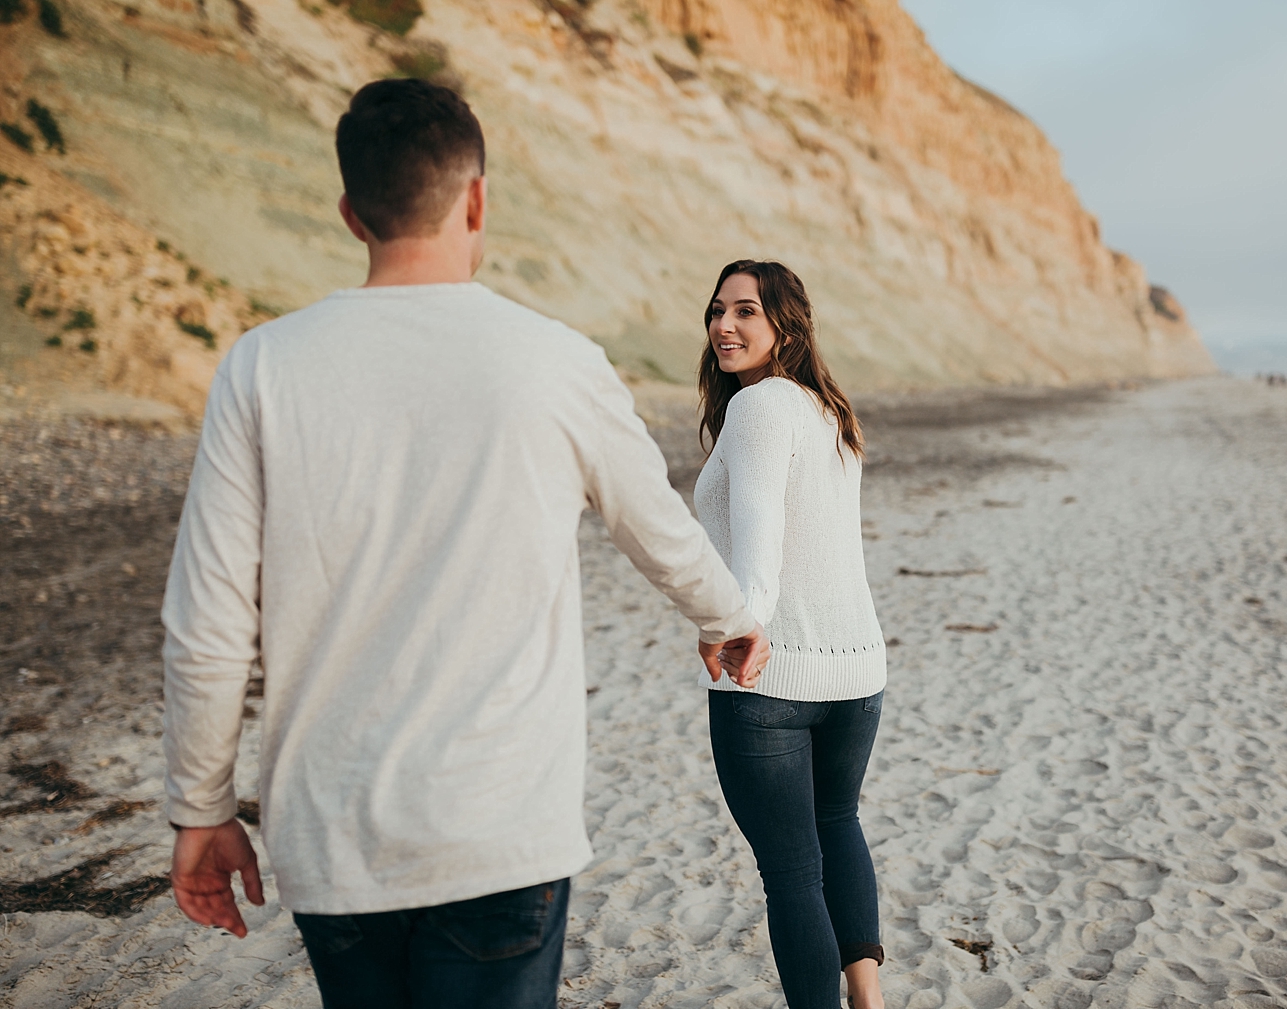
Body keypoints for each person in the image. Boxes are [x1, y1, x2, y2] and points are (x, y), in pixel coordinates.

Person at [161, 79, 769, 1009]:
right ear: (477, 198)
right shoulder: (556, 359)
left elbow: (207, 621)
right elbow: (660, 531)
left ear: (350, 212)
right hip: (499, 827)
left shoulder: (263, 366)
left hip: (333, 835)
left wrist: (201, 808)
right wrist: (728, 615)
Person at [693, 260, 889, 1009]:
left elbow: (762, 534)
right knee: (838, 821)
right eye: (716, 310)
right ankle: (868, 1000)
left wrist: (742, 623)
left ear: (785, 324)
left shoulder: (760, 408)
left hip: (769, 676)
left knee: (791, 872)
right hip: (857, 671)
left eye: (746, 310)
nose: (724, 325)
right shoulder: (827, 409)